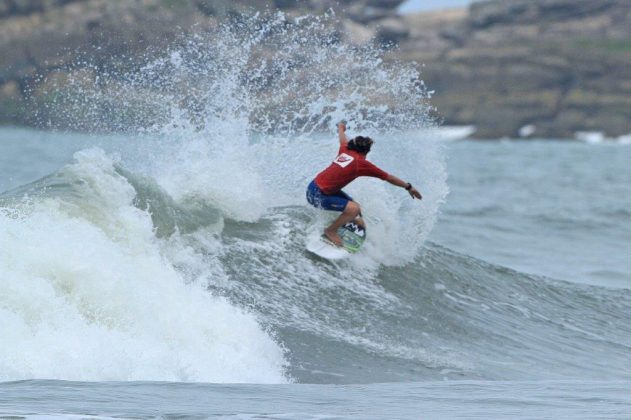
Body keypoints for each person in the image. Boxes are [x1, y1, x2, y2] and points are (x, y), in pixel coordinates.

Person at [306, 120, 422, 246]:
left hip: (314, 187)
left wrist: (340, 128)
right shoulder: (360, 163)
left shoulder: (345, 150)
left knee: (356, 208)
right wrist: (408, 187)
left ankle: (348, 223)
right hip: (317, 195)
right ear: (365, 152)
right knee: (354, 209)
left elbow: (342, 139)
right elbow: (389, 178)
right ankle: (330, 231)